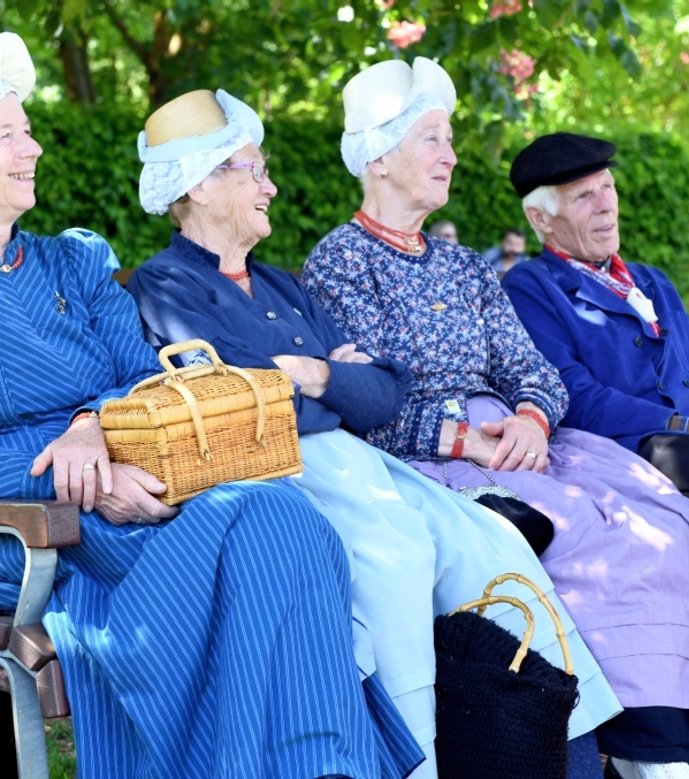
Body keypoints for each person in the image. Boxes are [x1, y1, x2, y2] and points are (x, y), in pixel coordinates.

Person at [126, 85, 624, 779]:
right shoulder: (166, 285)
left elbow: (380, 393)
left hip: (358, 459)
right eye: (254, 171)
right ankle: (415, 763)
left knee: (496, 546)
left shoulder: (278, 283)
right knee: (397, 561)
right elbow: (234, 403)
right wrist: (325, 376)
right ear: (203, 186)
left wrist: (313, 376)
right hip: (283, 473)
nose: (271, 186)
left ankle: (557, 755)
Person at [302, 57, 689, 779]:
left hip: (515, 439)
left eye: (447, 140)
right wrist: (470, 441)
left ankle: (664, 745)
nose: (449, 155)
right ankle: (616, 748)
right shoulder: (341, 261)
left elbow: (530, 369)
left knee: (660, 519)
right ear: (378, 159)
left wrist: (534, 419)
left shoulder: (463, 265)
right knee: (578, 539)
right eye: (432, 140)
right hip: (427, 456)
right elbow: (367, 401)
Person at [0, 31, 426, 779]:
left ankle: (319, 765)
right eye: (9, 135)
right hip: (46, 526)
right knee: (263, 527)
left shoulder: (75, 256)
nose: (30, 149)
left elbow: (143, 378)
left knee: (284, 518)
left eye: (27, 129)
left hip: (135, 472)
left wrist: (89, 426)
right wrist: (78, 472)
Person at [501, 131, 689, 779]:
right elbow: (575, 397)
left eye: (608, 189)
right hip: (625, 459)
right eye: (583, 197)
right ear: (540, 217)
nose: (606, 206)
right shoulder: (531, 288)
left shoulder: (650, 280)